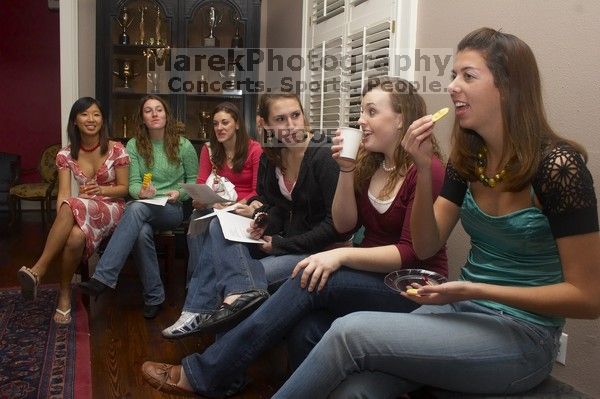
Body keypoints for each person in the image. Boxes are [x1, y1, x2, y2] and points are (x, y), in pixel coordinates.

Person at [271, 28, 600, 398]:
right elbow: (427, 245)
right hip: (460, 310)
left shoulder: (559, 167)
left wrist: (475, 288)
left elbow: (588, 298)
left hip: (524, 334)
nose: (452, 86)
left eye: (468, 76)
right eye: (453, 75)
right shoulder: (467, 162)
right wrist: (424, 170)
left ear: (508, 87)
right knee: (357, 391)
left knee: (351, 331)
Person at [139, 77, 448, 397]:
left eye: (370, 111)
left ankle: (206, 373)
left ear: (401, 118)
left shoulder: (427, 170)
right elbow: (346, 223)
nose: (361, 120)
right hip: (368, 272)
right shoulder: (370, 164)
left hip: (409, 284)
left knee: (302, 278)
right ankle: (265, 375)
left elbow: (409, 252)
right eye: (361, 111)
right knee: (304, 329)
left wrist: (337, 255)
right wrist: (345, 170)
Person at [161, 93, 346, 338]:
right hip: (282, 240)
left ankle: (211, 325)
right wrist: (263, 220)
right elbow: (276, 206)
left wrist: (281, 243)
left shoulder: (323, 156)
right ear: (266, 124)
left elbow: (335, 227)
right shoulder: (273, 155)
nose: (291, 125)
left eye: (295, 115)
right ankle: (203, 308)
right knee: (218, 224)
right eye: (280, 119)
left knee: (227, 278)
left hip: (315, 252)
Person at [78, 95, 198, 319]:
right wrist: (140, 193)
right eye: (148, 110)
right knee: (141, 231)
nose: (154, 114)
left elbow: (193, 182)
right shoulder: (133, 145)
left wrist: (178, 193)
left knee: (134, 209)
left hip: (171, 209)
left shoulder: (184, 145)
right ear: (142, 117)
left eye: (159, 110)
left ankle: (103, 277)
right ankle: (155, 297)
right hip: (145, 204)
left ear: (166, 115)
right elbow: (132, 184)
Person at [17, 97, 129, 324]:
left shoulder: (117, 149)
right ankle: (65, 293)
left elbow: (124, 189)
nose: (91, 119)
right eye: (85, 114)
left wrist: (103, 190)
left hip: (112, 208)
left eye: (96, 114)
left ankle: (39, 270)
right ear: (75, 121)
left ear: (102, 120)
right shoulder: (65, 155)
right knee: (75, 236)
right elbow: (64, 194)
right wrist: (65, 220)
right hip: (81, 208)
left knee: (74, 204)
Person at [185, 102, 262, 283]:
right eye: (215, 123)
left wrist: (234, 205)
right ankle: (196, 283)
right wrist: (200, 200)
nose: (219, 128)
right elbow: (201, 183)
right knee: (196, 216)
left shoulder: (254, 150)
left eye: (225, 122)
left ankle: (208, 286)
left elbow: (257, 190)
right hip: (215, 205)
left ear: (237, 124)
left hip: (243, 208)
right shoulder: (209, 149)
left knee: (214, 224)